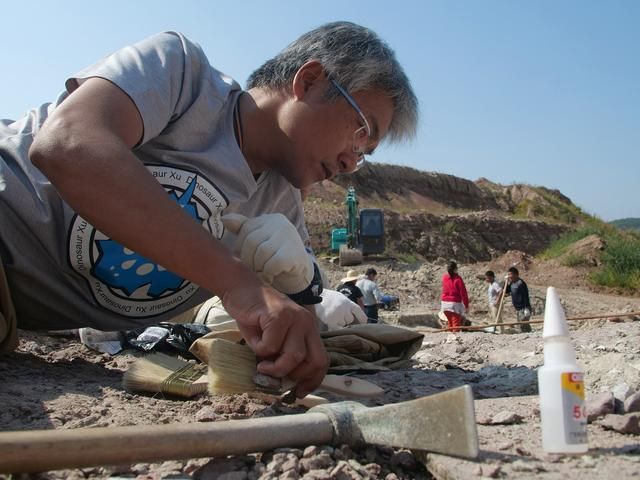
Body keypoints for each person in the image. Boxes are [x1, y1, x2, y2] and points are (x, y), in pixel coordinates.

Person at [0, 22, 418, 397]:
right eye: (361, 130)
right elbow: (67, 145)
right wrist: (238, 281)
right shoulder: (182, 76)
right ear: (308, 81)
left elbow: (287, 333)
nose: (351, 161)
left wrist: (300, 293)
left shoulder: (281, 205)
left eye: (366, 154)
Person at [440, 261, 469, 332]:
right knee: (456, 325)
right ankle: (455, 340)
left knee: (450, 323)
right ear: (455, 269)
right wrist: (466, 305)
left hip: (444, 304)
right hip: (454, 304)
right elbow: (463, 293)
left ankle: (450, 338)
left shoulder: (444, 277)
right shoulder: (458, 279)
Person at [505, 267, 532, 333]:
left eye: (510, 274)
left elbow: (525, 296)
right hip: (517, 308)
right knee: (521, 324)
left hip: (523, 307)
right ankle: (528, 333)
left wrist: (526, 308)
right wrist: (506, 282)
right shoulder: (511, 283)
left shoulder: (521, 283)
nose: (509, 276)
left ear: (516, 275)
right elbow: (506, 291)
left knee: (523, 324)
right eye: (508, 275)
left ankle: (528, 334)